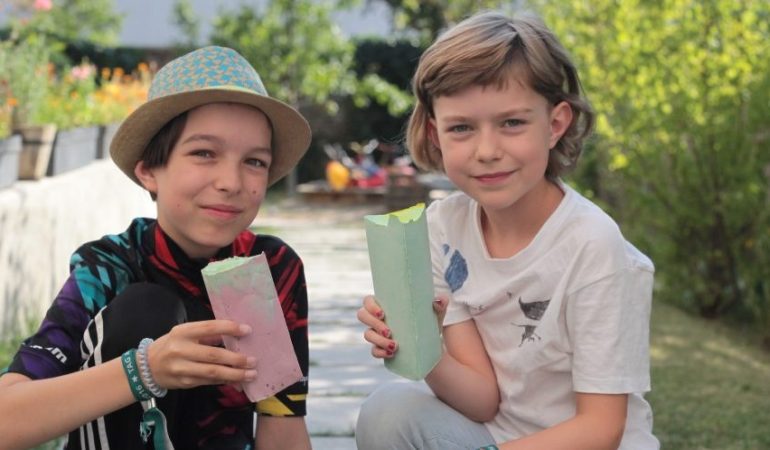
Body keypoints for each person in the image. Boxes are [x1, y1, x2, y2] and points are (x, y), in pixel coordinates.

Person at [355, 11, 659, 450]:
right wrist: (420, 340)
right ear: (436, 134)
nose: (487, 151)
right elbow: (481, 401)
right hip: (494, 436)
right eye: (461, 128)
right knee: (387, 413)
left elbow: (602, 428)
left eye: (512, 123)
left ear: (556, 124)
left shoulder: (593, 244)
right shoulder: (442, 229)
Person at [0, 46, 313, 450]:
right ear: (149, 170)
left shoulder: (269, 269)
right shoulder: (108, 268)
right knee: (146, 309)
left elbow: (283, 426)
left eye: (254, 161)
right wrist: (142, 371)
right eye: (204, 153)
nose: (231, 182)